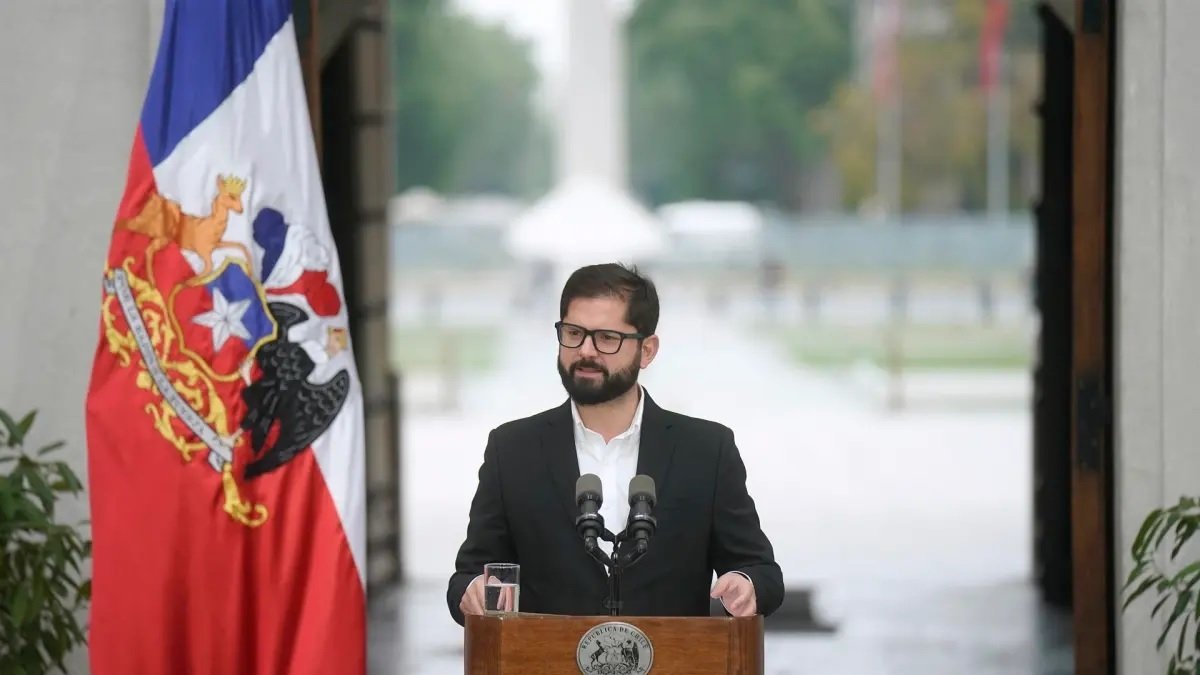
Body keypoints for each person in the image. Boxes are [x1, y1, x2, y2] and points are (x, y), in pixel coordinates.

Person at [446, 263, 783, 625]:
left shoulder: (706, 450)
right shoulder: (511, 450)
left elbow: (762, 572)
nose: (585, 351)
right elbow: (467, 577)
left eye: (607, 338)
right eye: (574, 333)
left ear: (647, 350)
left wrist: (745, 584)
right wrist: (473, 591)